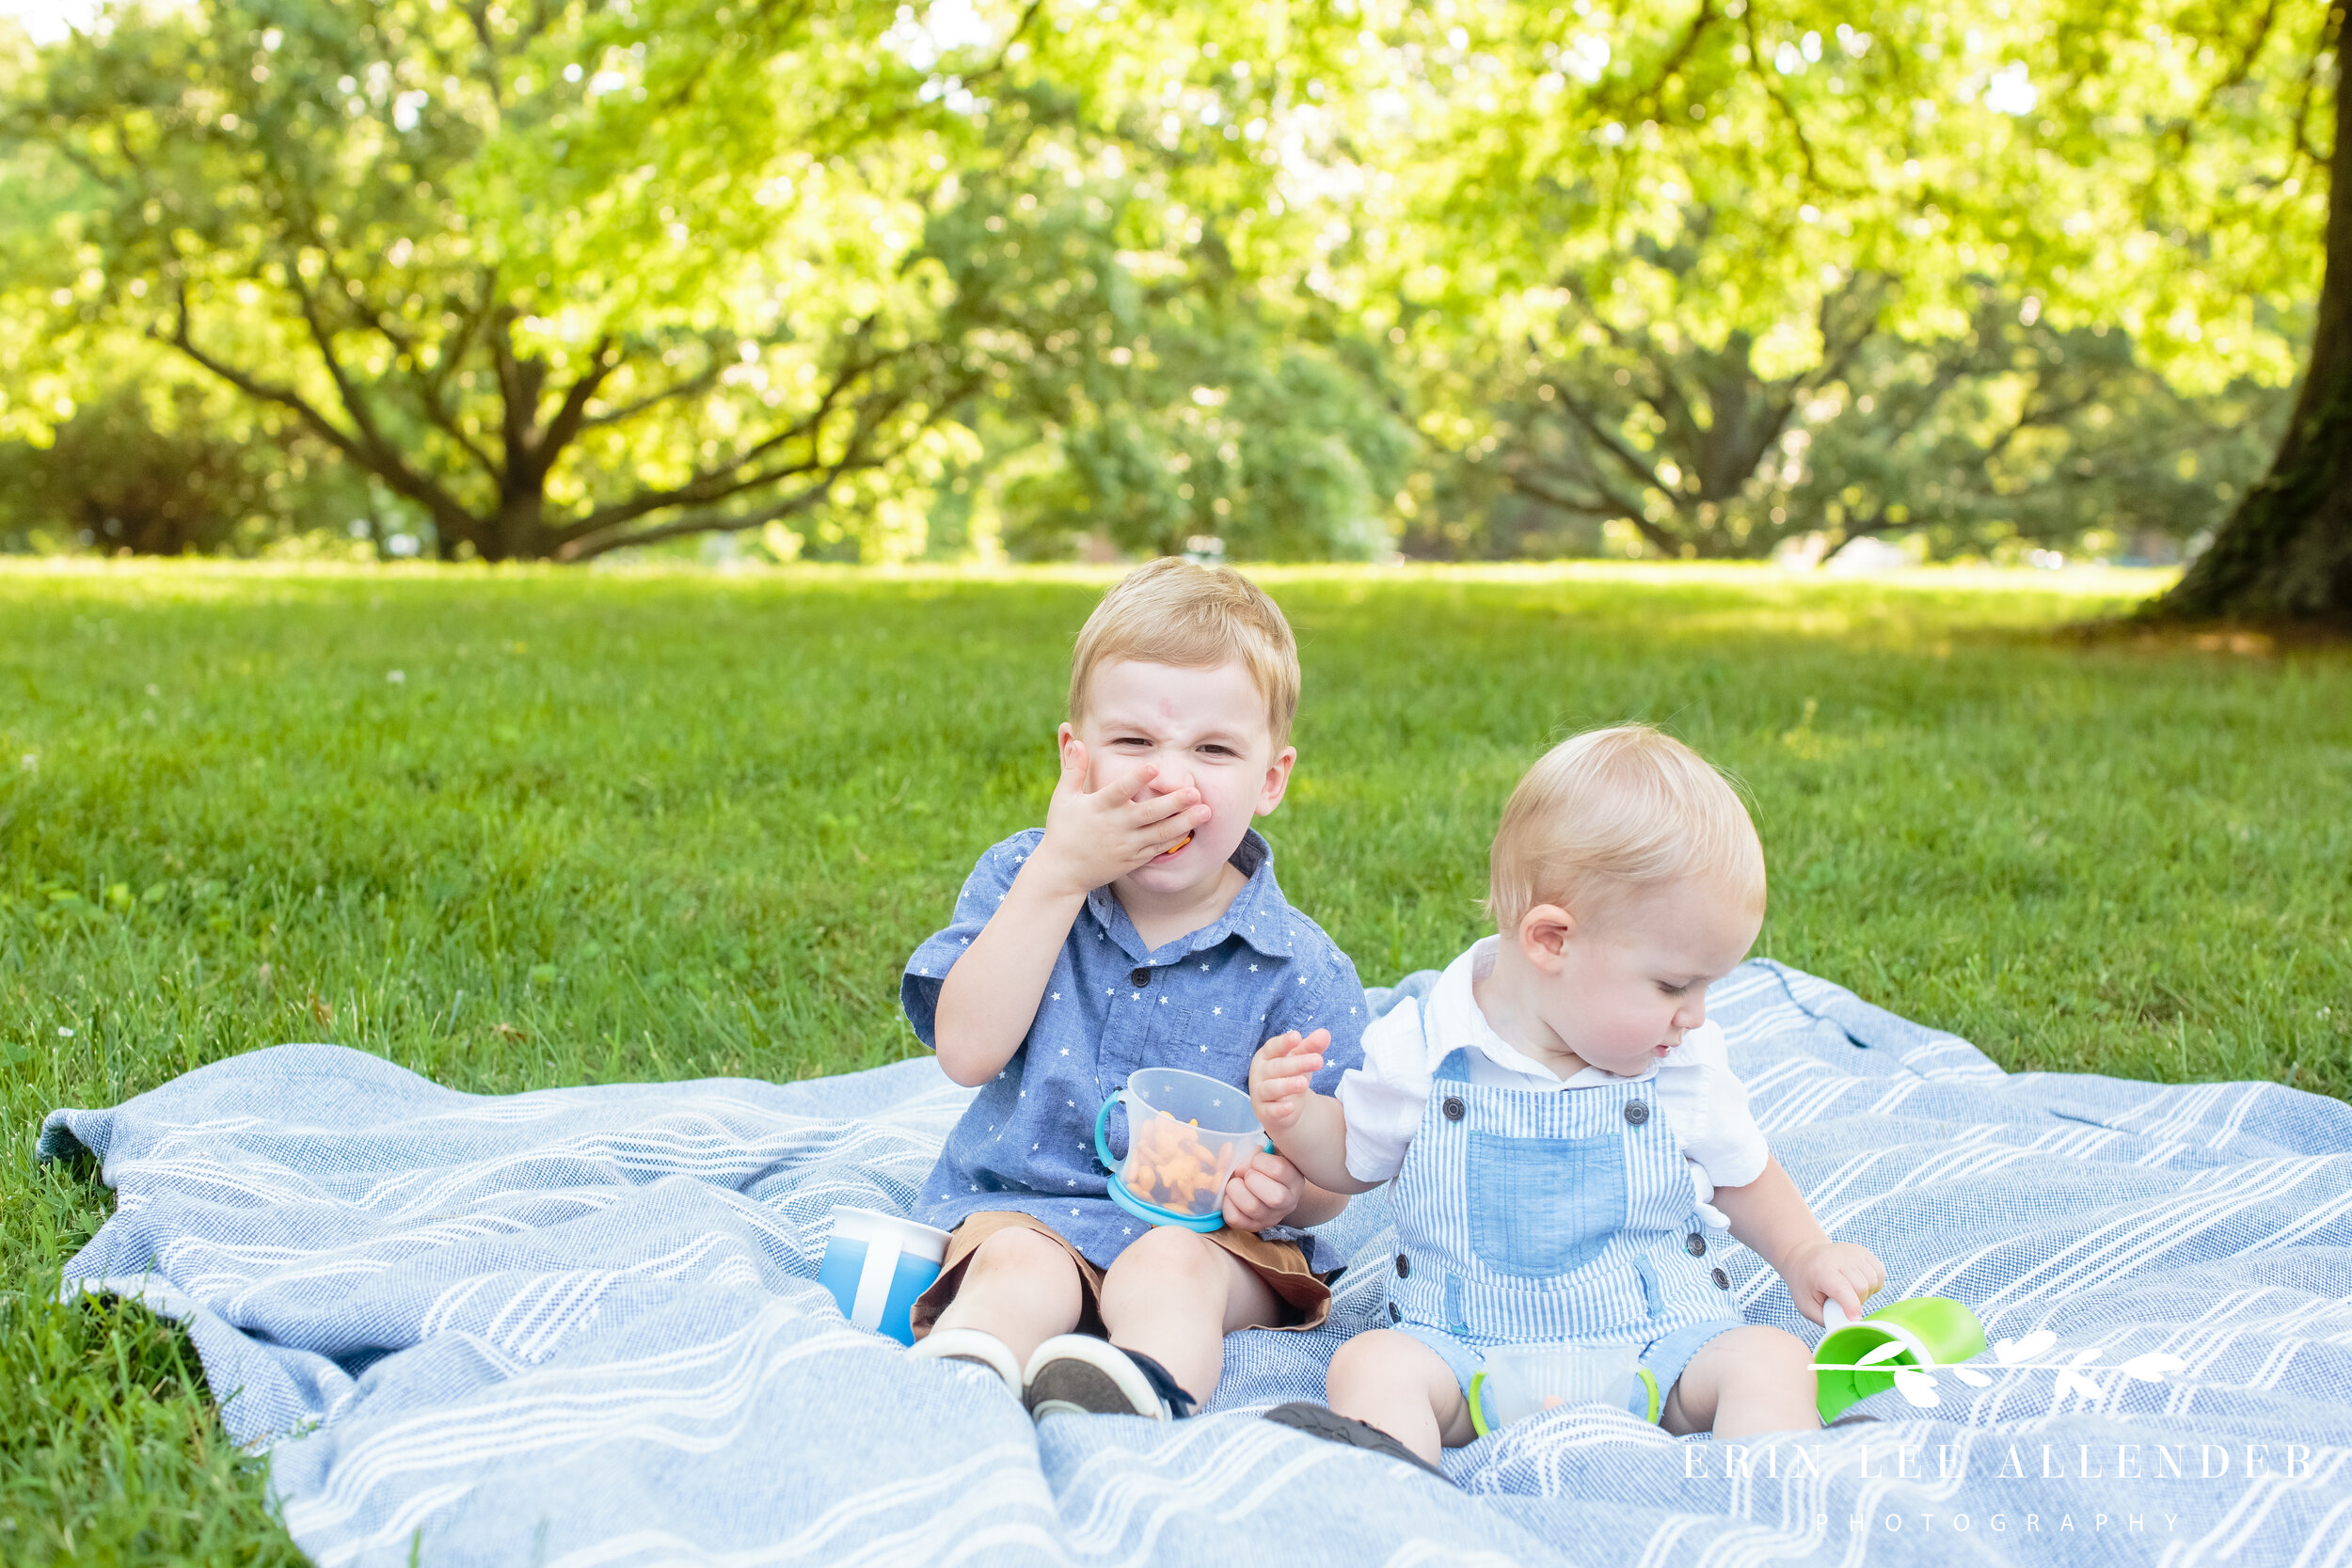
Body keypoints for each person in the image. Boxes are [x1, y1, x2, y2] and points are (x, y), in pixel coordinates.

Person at [1248, 725, 1885, 1474]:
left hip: (1662, 1342)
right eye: (1675, 985)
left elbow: (1743, 1172)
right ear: (1552, 941)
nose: (1697, 1014)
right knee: (1370, 1365)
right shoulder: (1429, 1043)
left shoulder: (1676, 1059)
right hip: (1463, 1349)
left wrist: (1804, 1250)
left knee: (1771, 1358)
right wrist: (1295, 1118)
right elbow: (1351, 1158)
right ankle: (1395, 1493)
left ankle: (1767, 1492)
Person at [900, 558, 1369, 1422]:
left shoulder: (1299, 965)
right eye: (1134, 743)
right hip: (1025, 1205)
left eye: (1214, 750)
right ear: (1074, 761)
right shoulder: (1025, 878)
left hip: (1212, 1239)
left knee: (1169, 1271)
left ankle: (1139, 1393)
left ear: (1272, 778)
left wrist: (1288, 1190)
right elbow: (966, 1051)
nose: (1169, 778)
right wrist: (1058, 875)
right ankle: (965, 1387)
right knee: (1019, 1269)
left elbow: (1339, 1168)